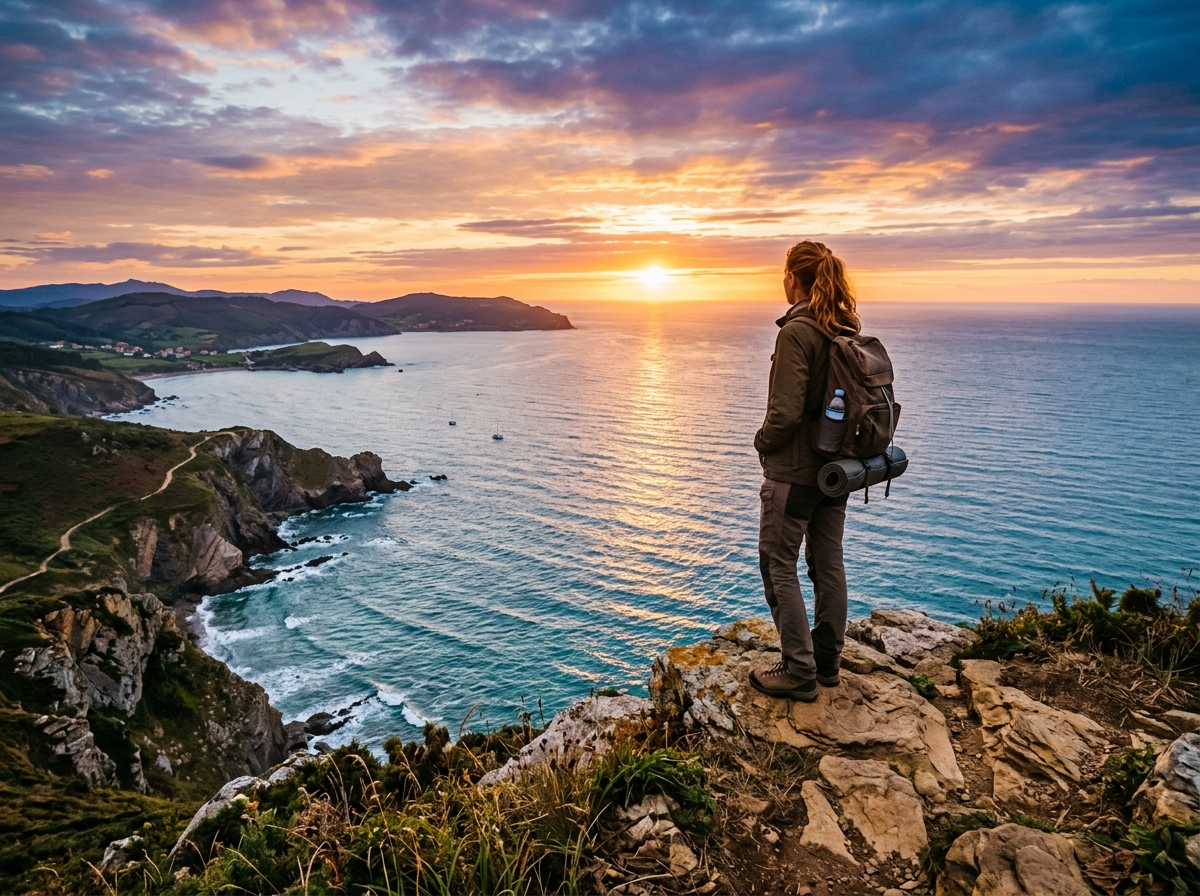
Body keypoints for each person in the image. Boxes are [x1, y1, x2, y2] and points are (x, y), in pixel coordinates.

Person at [749, 240, 861, 702]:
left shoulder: (796, 332)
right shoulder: (844, 327)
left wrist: (761, 442)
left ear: (793, 278)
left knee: (779, 563)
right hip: (837, 471)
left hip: (794, 473)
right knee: (827, 561)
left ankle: (799, 669)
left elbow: (786, 413)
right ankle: (828, 661)